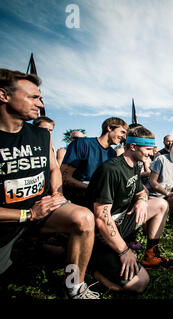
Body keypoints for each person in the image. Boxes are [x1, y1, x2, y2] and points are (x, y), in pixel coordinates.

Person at [0, 69, 98, 299]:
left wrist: (56, 193)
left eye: (41, 98)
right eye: (33, 97)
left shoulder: (41, 135)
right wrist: (27, 214)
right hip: (9, 219)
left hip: (42, 211)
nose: (40, 105)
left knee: (83, 218)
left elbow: (54, 168)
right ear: (3, 95)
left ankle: (73, 287)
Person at [87, 126, 173, 292]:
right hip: (100, 233)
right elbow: (101, 218)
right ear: (133, 147)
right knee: (140, 283)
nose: (151, 153)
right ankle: (92, 269)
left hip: (121, 223)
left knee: (161, 204)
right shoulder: (111, 169)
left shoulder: (134, 165)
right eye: (148, 149)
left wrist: (142, 200)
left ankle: (150, 255)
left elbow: (143, 191)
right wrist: (124, 251)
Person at [60, 117, 128, 206]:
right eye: (122, 132)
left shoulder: (112, 153)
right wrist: (91, 188)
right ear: (109, 128)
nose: (124, 137)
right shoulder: (82, 144)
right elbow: (65, 178)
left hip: (99, 200)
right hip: (76, 200)